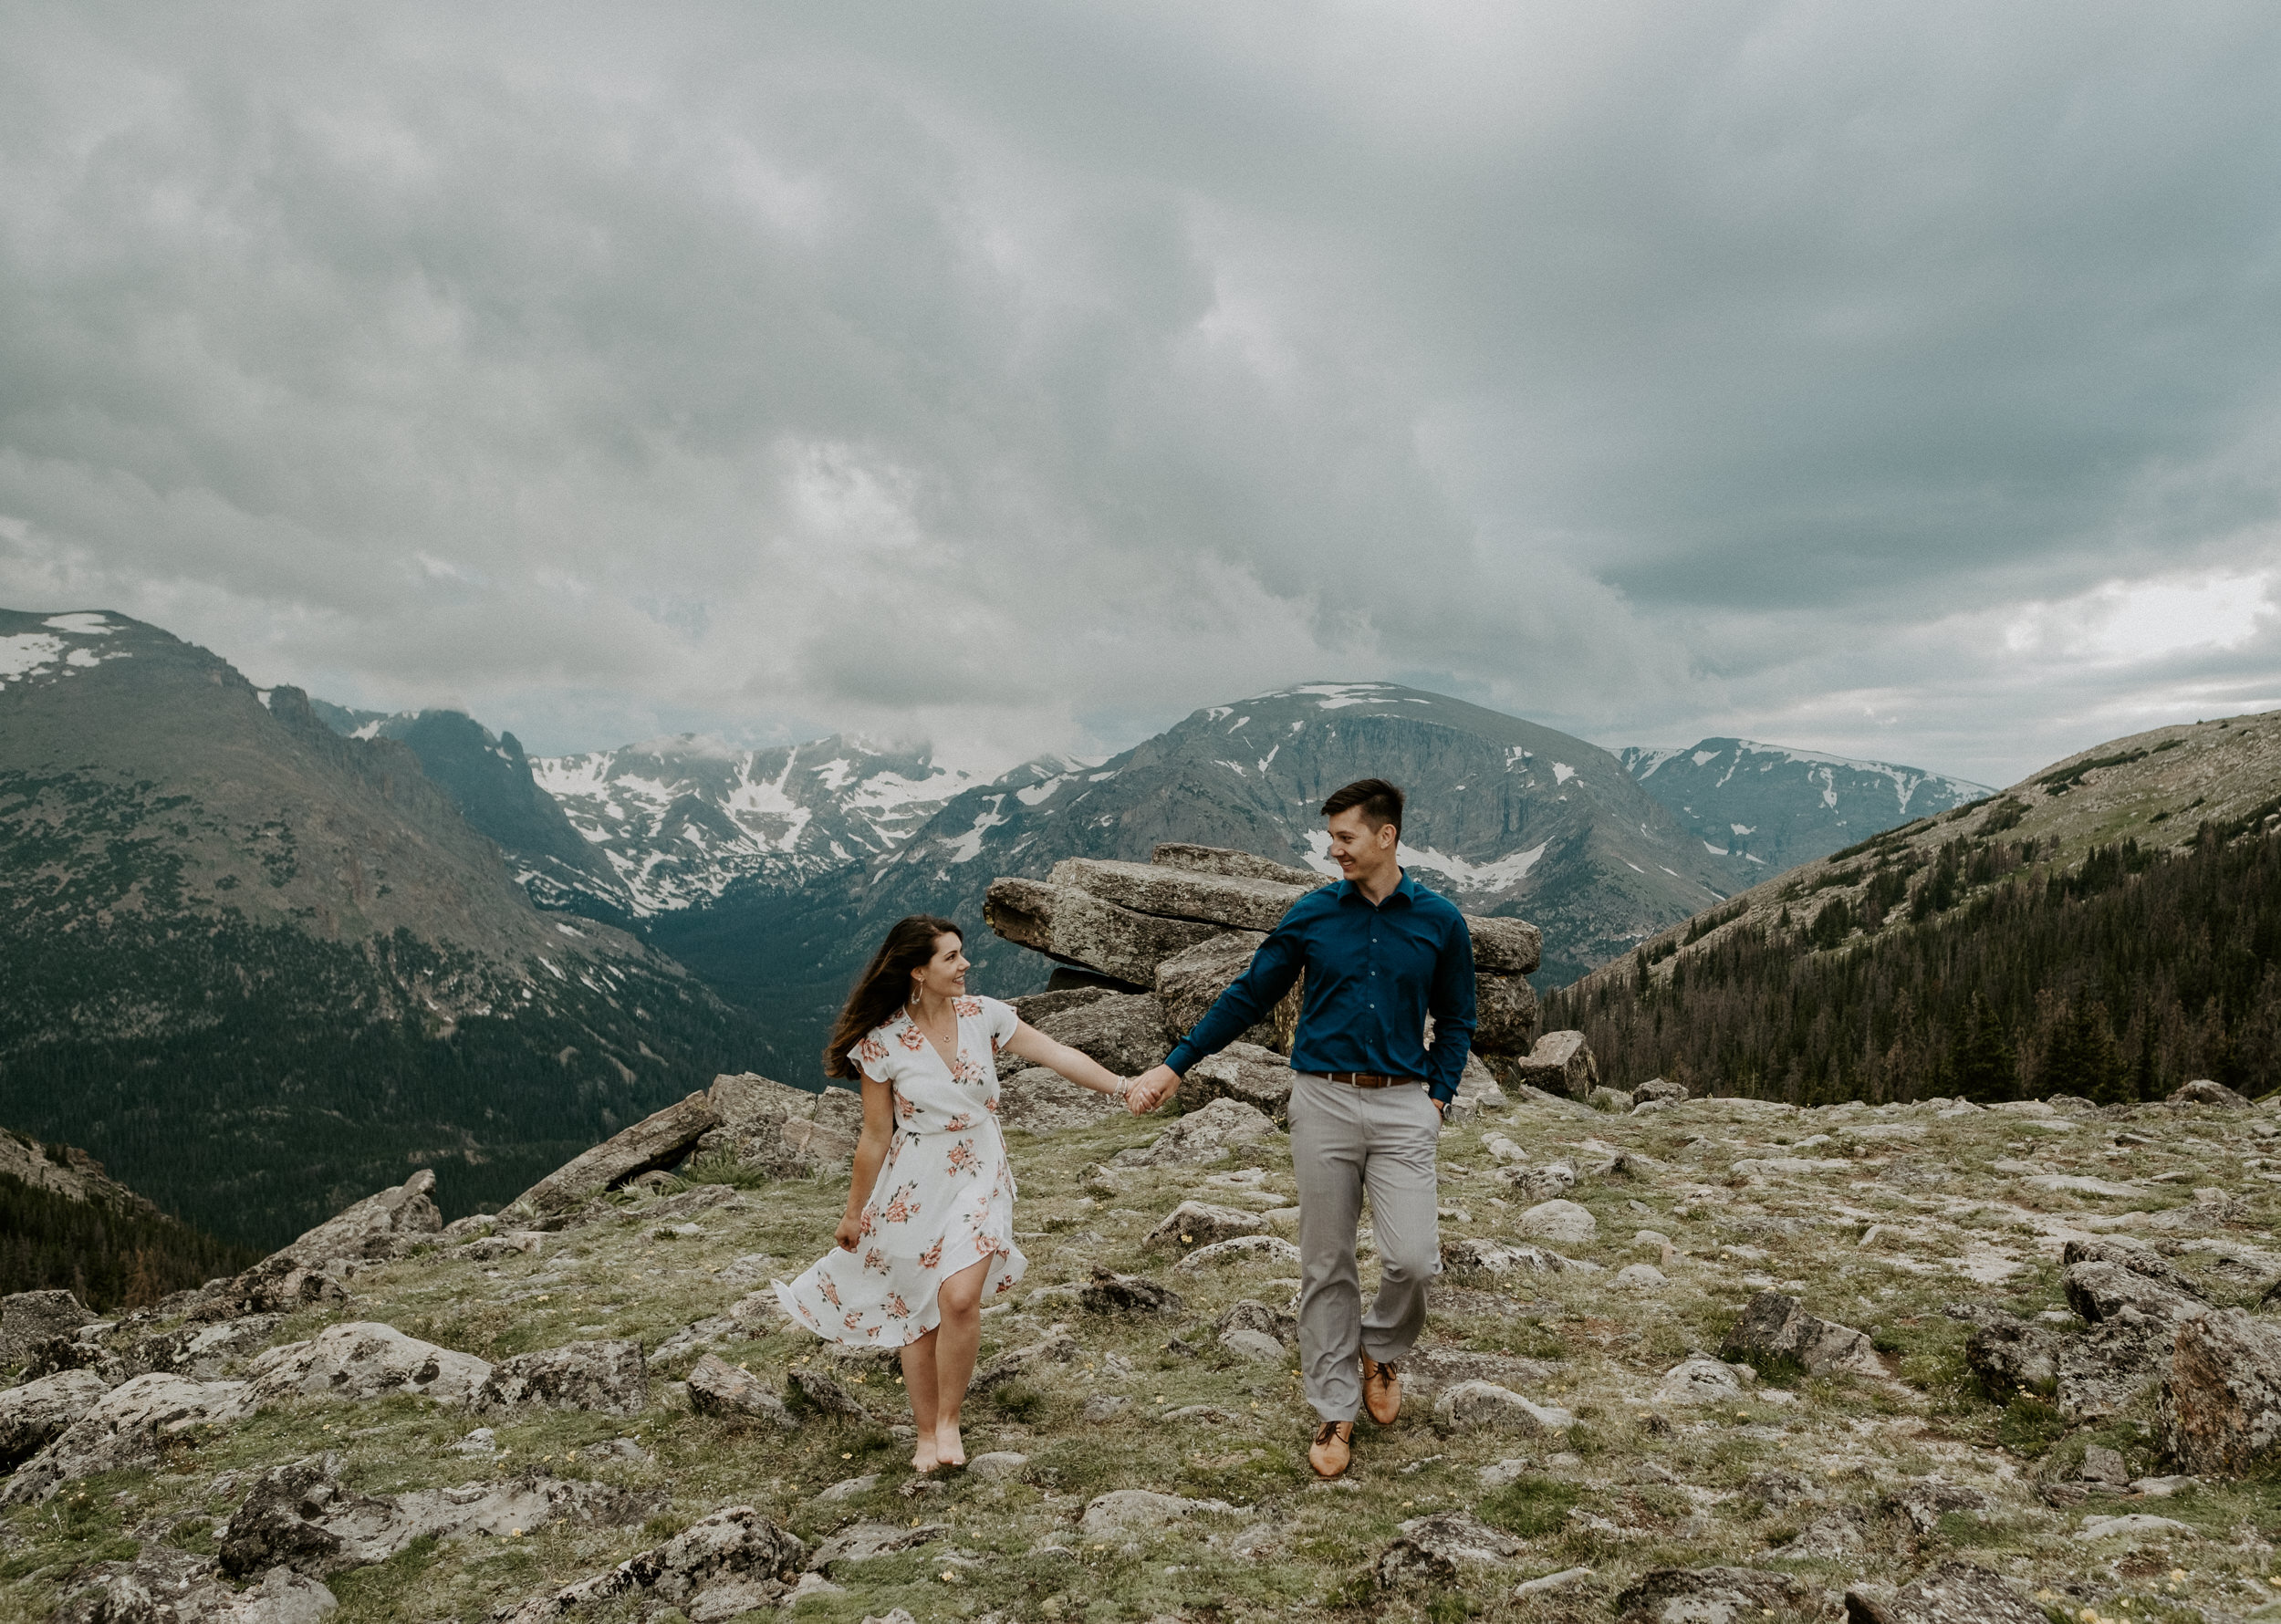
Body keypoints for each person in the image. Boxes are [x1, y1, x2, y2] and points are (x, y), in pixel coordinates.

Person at [1126, 778, 1475, 1480]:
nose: (1333, 849)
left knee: (1413, 1260)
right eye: (1331, 837)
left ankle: (1379, 1347)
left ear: (1386, 836)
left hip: (1405, 1104)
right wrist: (1176, 1066)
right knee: (1326, 1263)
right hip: (1322, 1102)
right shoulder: (1313, 914)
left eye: (1345, 837)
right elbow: (1249, 994)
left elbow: (1459, 1017)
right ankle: (1335, 1405)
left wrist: (1437, 1095)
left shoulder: (1441, 921)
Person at [775, 915, 1151, 1472]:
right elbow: (876, 1135)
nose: (965, 964)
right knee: (915, 1308)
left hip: (979, 1172)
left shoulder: (984, 1016)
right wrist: (855, 1212)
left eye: (961, 953)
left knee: (957, 1298)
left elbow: (1056, 1054)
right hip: (912, 1182)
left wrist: (1125, 1085)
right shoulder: (881, 1043)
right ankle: (925, 1433)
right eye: (951, 957)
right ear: (917, 971)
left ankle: (949, 1421)